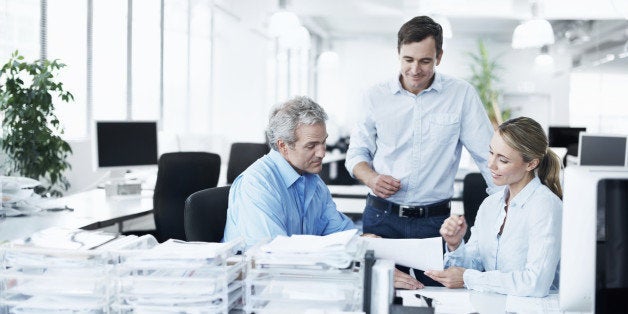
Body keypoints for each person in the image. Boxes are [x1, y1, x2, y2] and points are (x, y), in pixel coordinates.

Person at [345, 15, 498, 284]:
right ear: (399, 54)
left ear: (439, 57)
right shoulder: (374, 96)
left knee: (436, 297)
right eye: (408, 60)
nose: (415, 69)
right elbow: (356, 154)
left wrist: (506, 210)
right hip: (382, 217)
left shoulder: (461, 95)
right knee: (378, 295)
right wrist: (371, 178)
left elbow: (488, 158)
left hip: (434, 222)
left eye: (425, 61)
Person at [222, 96, 422, 289]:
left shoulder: (313, 182)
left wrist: (364, 243)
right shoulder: (257, 185)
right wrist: (362, 270)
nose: (322, 153)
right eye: (311, 146)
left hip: (300, 283)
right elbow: (274, 260)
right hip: (262, 290)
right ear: (283, 146)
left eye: (323, 142)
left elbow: (340, 233)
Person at [424, 117, 563, 297]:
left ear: (531, 163)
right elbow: (473, 266)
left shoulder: (545, 206)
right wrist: (455, 243)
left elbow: (534, 284)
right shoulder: (490, 204)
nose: (490, 164)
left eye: (503, 160)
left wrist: (468, 278)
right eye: (491, 153)